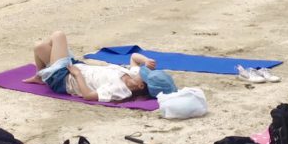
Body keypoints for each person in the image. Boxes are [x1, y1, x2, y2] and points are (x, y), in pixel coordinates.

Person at [22, 31, 177, 101]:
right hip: (76, 67)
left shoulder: (121, 90)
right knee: (39, 47)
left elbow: (89, 96)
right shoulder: (133, 76)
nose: (141, 71)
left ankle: (43, 76)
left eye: (143, 74)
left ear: (141, 84)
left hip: (64, 78)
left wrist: (77, 75)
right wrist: (145, 60)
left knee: (58, 36)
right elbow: (134, 57)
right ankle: (40, 75)